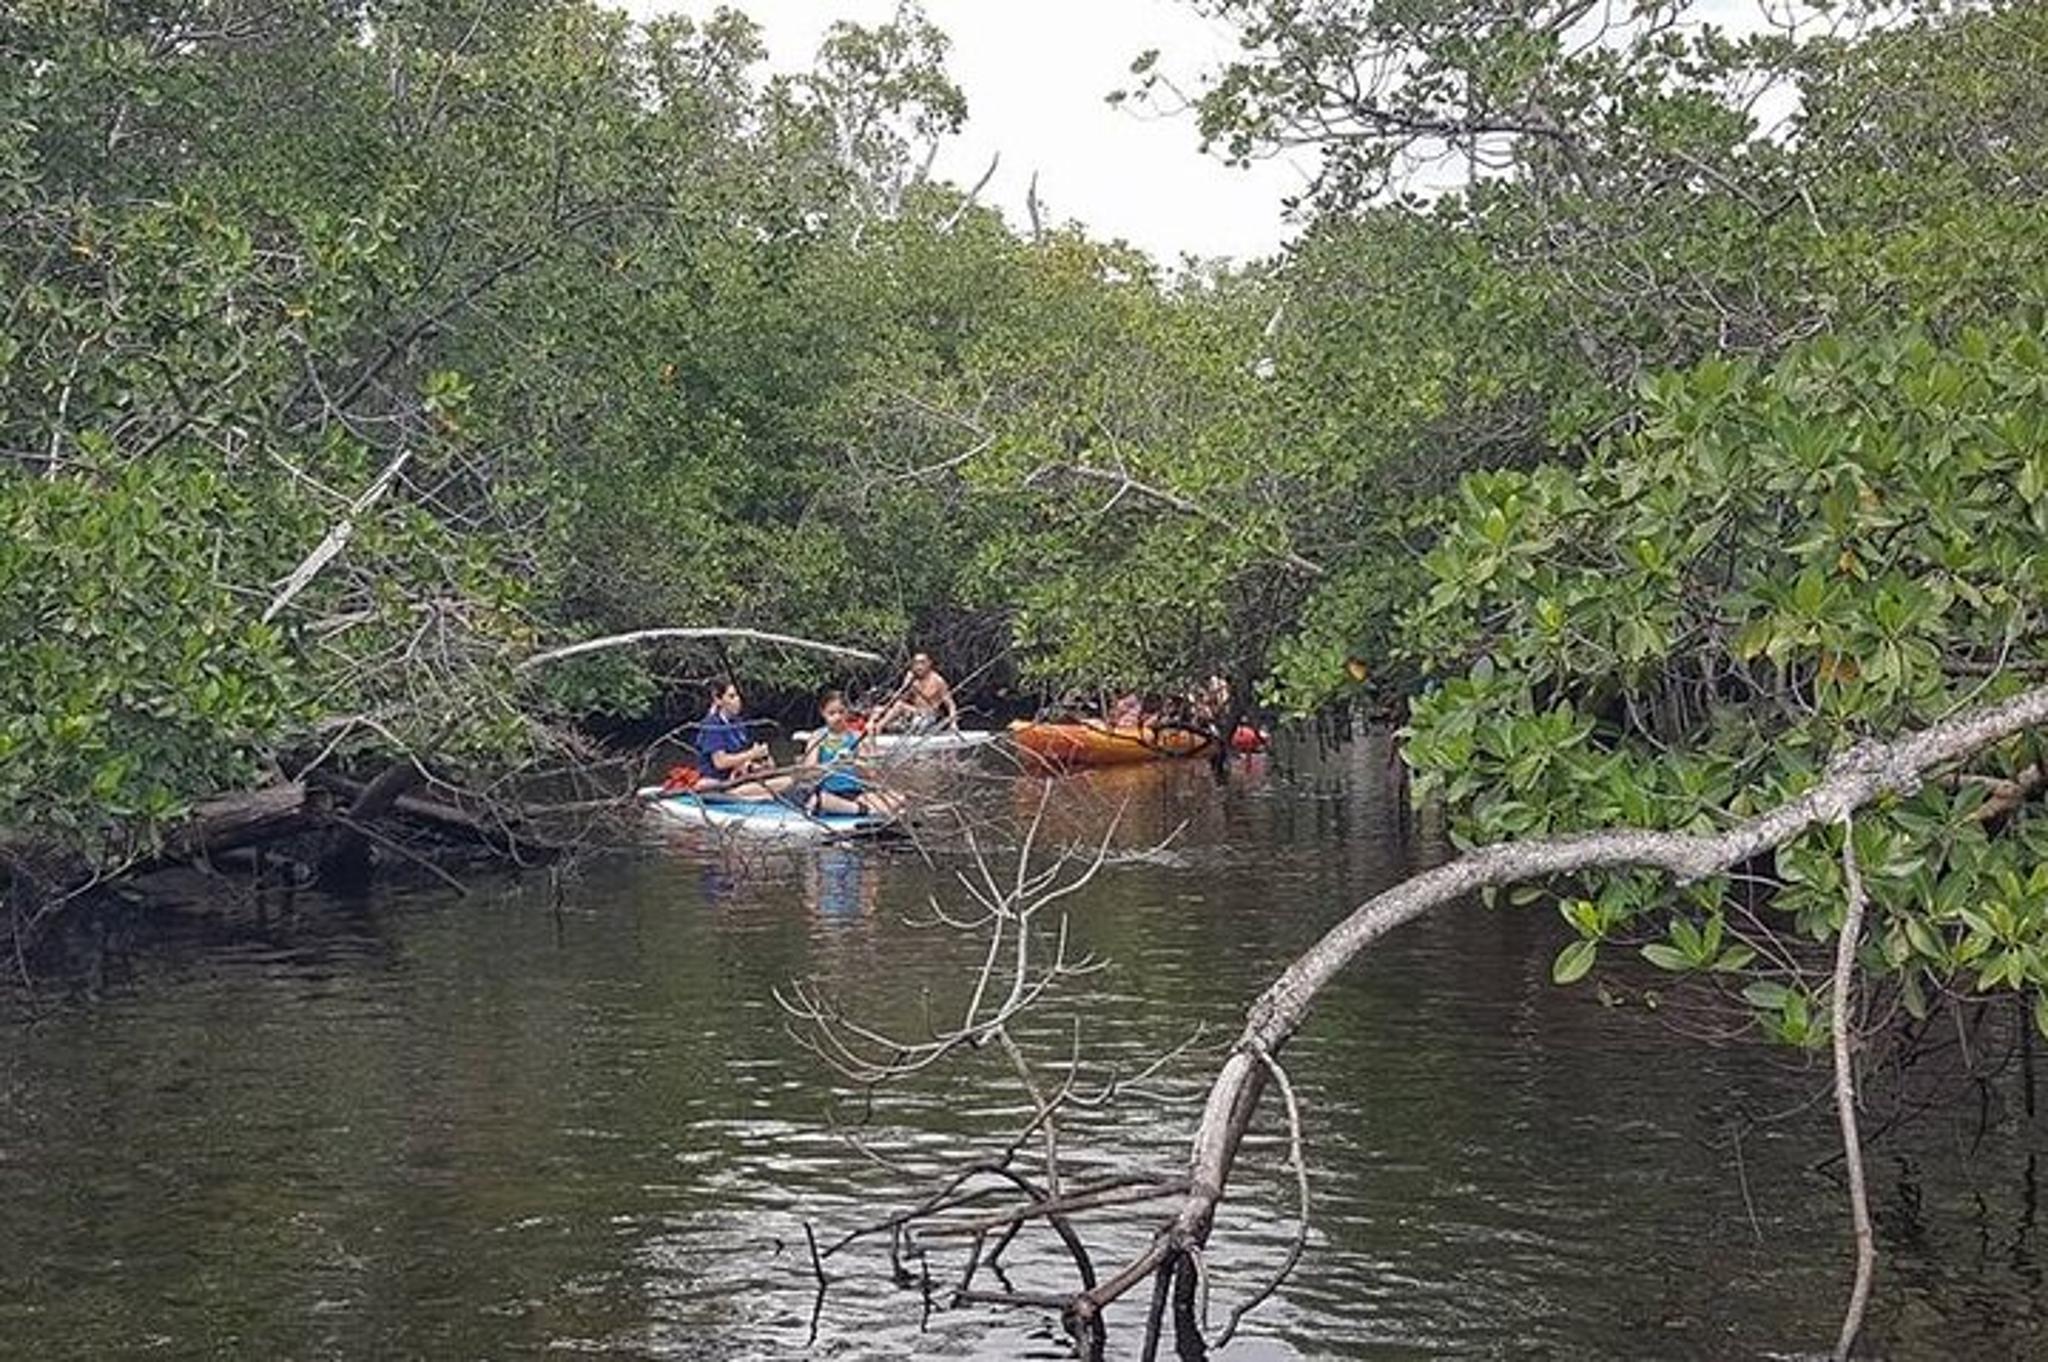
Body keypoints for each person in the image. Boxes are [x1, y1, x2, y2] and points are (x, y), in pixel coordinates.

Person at [803, 691, 905, 817]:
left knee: (898, 798)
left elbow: (871, 773)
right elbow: (808, 772)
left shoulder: (856, 737)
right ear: (823, 713)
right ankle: (866, 810)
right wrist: (833, 764)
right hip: (827, 793)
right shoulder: (817, 737)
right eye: (832, 713)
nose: (838, 717)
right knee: (820, 799)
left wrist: (870, 740)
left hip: (854, 793)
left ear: (847, 712)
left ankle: (857, 808)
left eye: (841, 712)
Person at [695, 678, 783, 799]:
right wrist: (752, 754)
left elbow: (740, 754)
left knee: (778, 777)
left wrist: (757, 763)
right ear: (718, 699)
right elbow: (720, 762)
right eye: (731, 696)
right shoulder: (713, 725)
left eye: (738, 696)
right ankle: (728, 796)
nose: (737, 701)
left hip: (736, 778)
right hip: (718, 782)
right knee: (784, 783)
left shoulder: (738, 723)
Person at [874, 651, 958, 733]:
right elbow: (901, 698)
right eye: (916, 663)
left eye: (922, 663)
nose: (919, 666)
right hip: (914, 712)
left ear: (929, 663)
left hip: (929, 715)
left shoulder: (938, 681)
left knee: (902, 708)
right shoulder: (913, 680)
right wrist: (905, 685)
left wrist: (953, 723)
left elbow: (950, 704)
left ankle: (880, 727)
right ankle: (879, 728)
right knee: (878, 710)